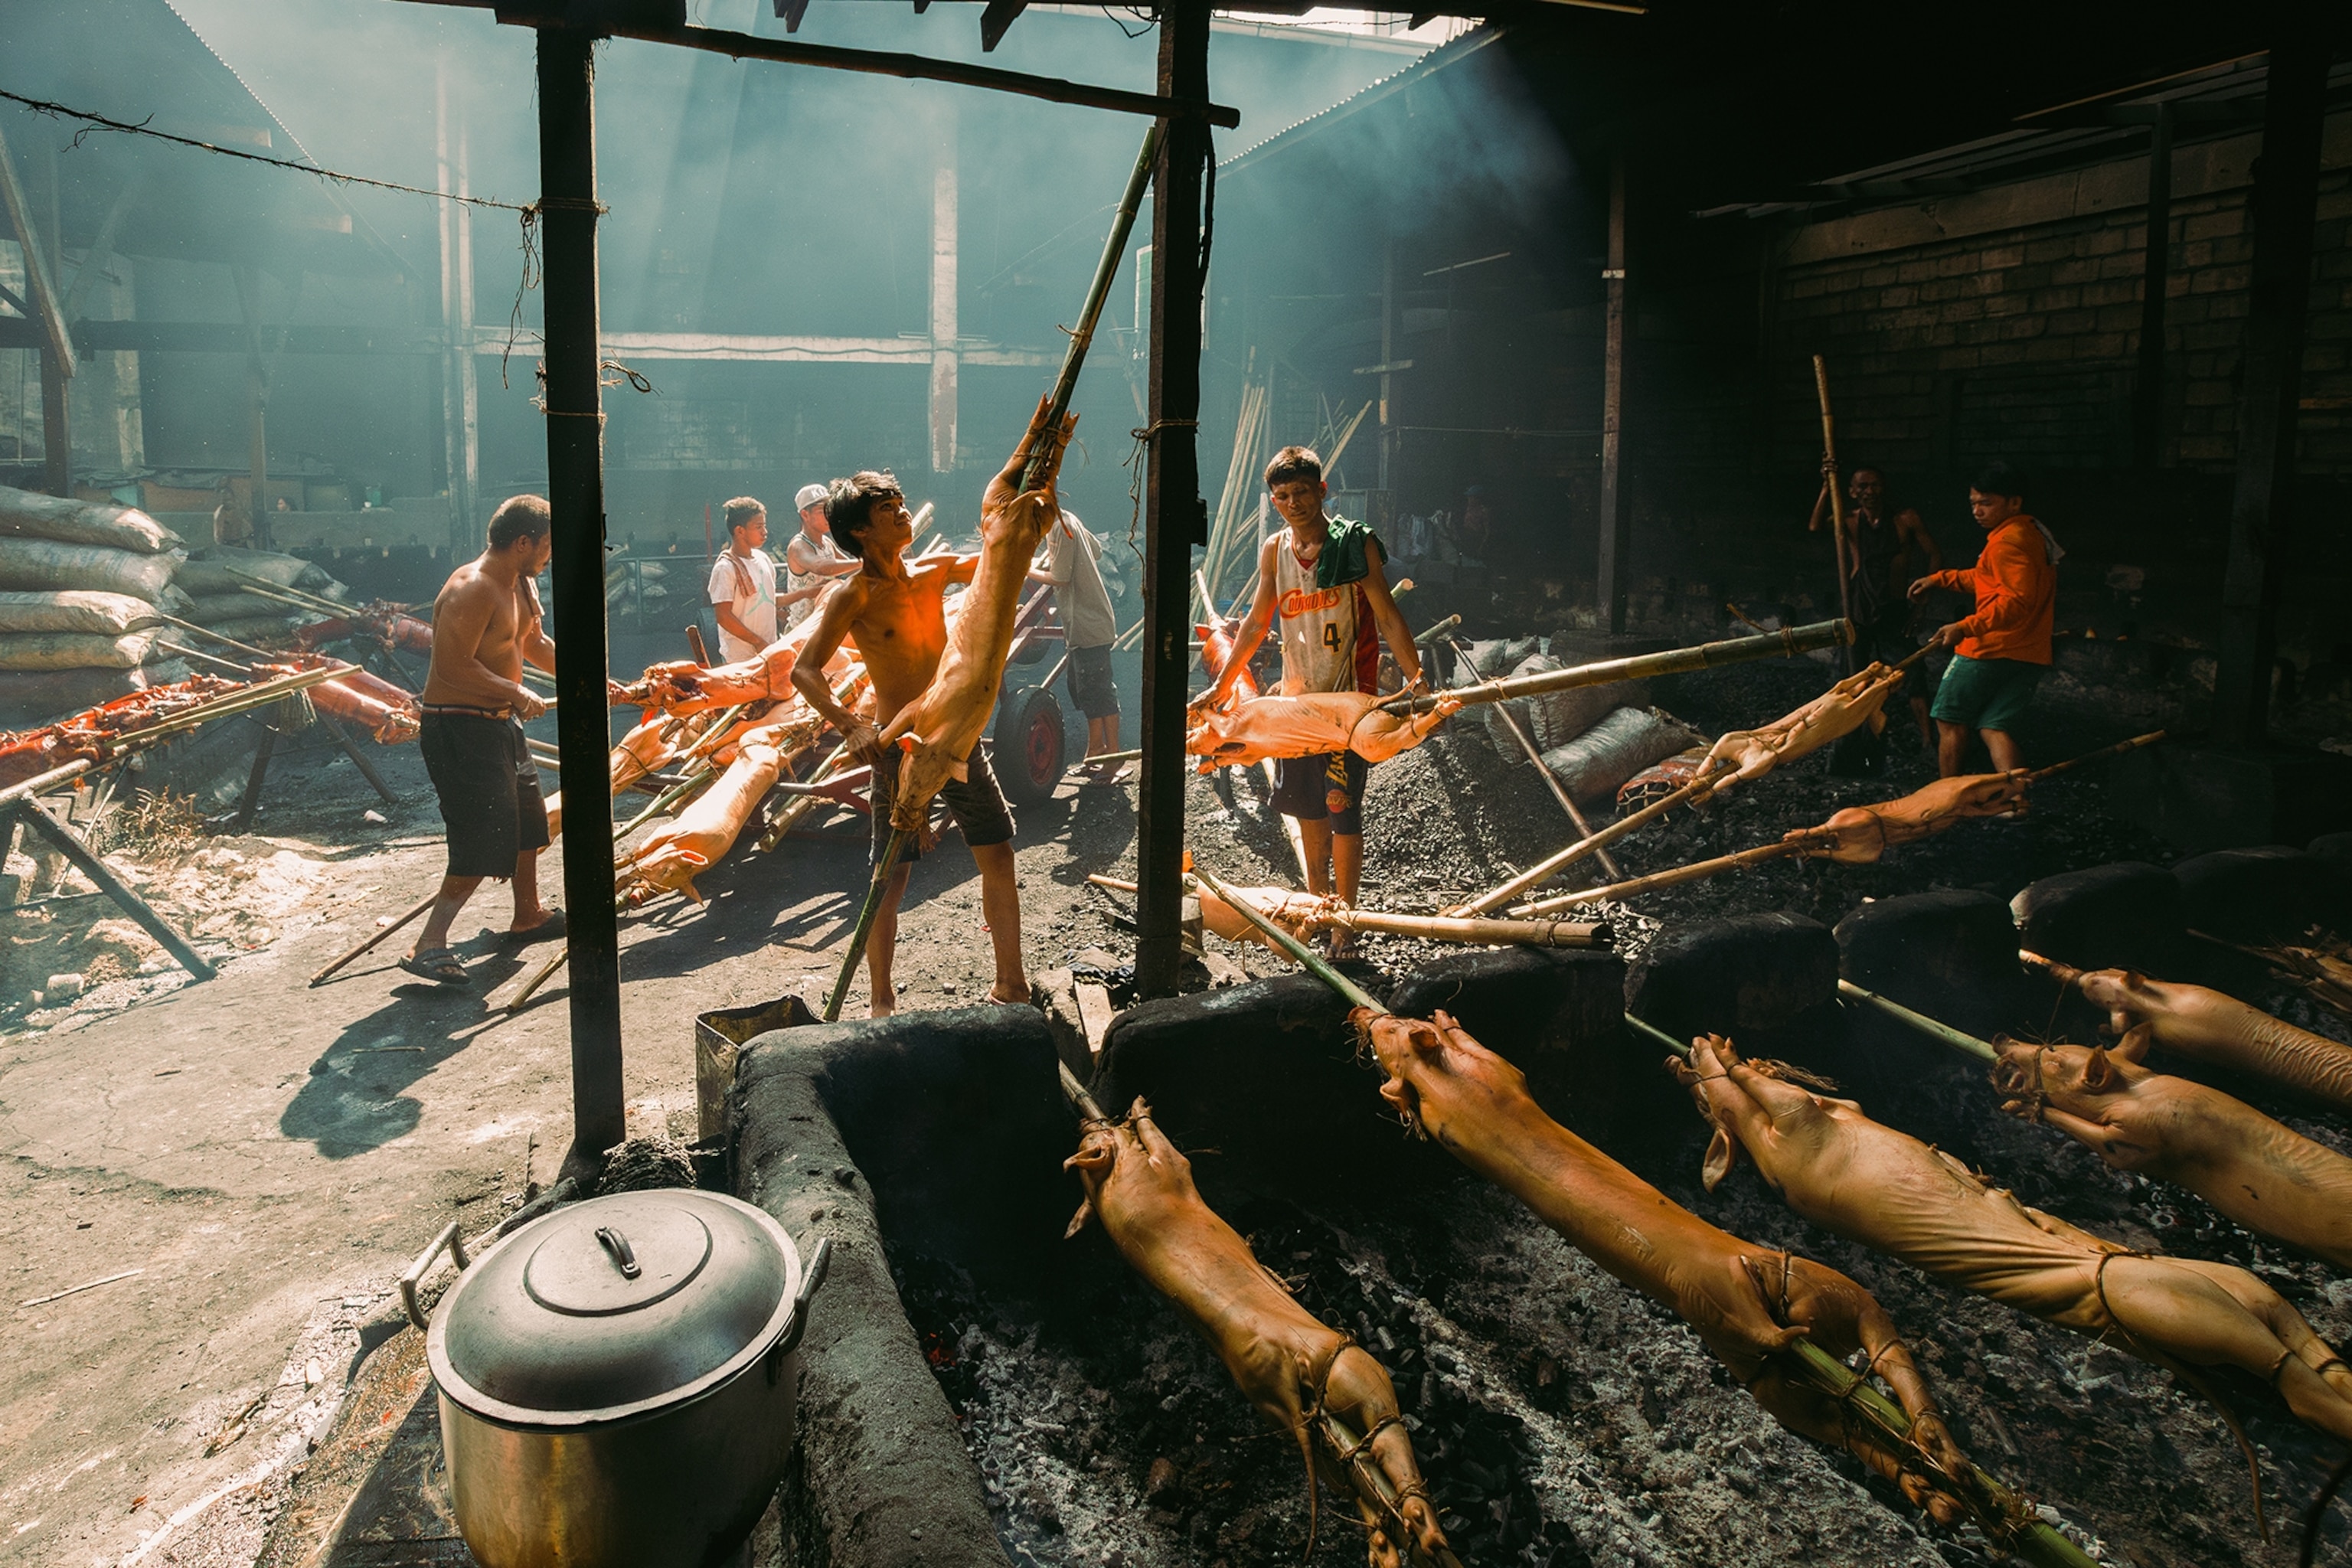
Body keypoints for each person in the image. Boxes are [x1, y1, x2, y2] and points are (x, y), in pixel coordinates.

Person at [789, 405, 1070, 1015]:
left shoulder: (936, 571)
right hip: (900, 751)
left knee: (997, 854)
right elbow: (803, 671)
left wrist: (1036, 458)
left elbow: (1003, 547)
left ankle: (1010, 985)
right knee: (890, 880)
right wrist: (852, 724)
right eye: (887, 507)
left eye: (901, 500)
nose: (902, 510)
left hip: (960, 740)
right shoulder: (854, 594)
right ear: (860, 530)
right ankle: (882, 1002)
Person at [1192, 444, 1428, 955]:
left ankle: (1345, 924)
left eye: (1302, 492)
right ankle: (1317, 910)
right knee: (1308, 815)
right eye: (1282, 495)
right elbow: (1256, 623)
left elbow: (1387, 615)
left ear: (1323, 491)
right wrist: (1221, 683)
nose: (1293, 502)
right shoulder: (1275, 550)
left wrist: (1419, 683)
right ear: (1273, 500)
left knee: (1343, 811)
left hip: (1347, 706)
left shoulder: (1353, 544)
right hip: (1296, 708)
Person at [403, 495, 562, 986]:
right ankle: (428, 945)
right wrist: (515, 690)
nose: (548, 556)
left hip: (498, 724)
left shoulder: (521, 584)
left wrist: (589, 675)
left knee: (530, 822)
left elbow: (530, 643)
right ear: (522, 542)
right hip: (459, 727)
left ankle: (528, 914)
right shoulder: (472, 588)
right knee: (483, 835)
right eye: (546, 546)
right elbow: (452, 666)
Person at [1908, 459, 2059, 778]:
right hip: (2031, 651)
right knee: (1994, 728)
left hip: (1990, 649)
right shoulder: (2030, 531)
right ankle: (2016, 801)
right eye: (1974, 503)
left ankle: (1948, 798)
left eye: (1986, 503)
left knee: (1949, 719)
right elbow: (1988, 578)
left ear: (2014, 502)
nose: (1977, 511)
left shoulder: (2007, 542)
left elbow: (2016, 602)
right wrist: (1939, 579)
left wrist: (1965, 627)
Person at [1812, 466, 1942, 756]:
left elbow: (1934, 554)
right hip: (1858, 606)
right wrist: (1826, 486)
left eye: (1874, 485)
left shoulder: (1904, 520)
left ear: (1883, 488)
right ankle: (1846, 739)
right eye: (1862, 487)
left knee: (1912, 669)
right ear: (1852, 492)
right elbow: (1816, 526)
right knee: (1850, 671)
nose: (1869, 492)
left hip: (1894, 608)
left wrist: (1922, 599)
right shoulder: (1850, 521)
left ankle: (1927, 741)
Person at [1028, 508, 1123, 780]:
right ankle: (1095, 750)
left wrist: (1028, 569)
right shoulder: (1068, 518)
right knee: (1086, 691)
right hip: (1088, 622)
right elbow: (1097, 551)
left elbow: (1061, 578)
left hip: (1088, 624)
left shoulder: (1059, 528)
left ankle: (1113, 756)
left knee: (1100, 693)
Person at [705, 496, 779, 663]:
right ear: (740, 531)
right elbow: (723, 616)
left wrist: (807, 593)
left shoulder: (763, 559)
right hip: (739, 658)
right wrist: (757, 642)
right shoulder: (725, 568)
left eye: (764, 526)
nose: (765, 532)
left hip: (768, 651)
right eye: (758, 527)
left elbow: (768, 600)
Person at [782, 480, 861, 630]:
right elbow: (821, 567)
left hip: (823, 627)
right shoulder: (798, 546)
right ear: (805, 514)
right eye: (822, 511)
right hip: (801, 632)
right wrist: (863, 561)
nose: (828, 516)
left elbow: (850, 568)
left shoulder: (826, 542)